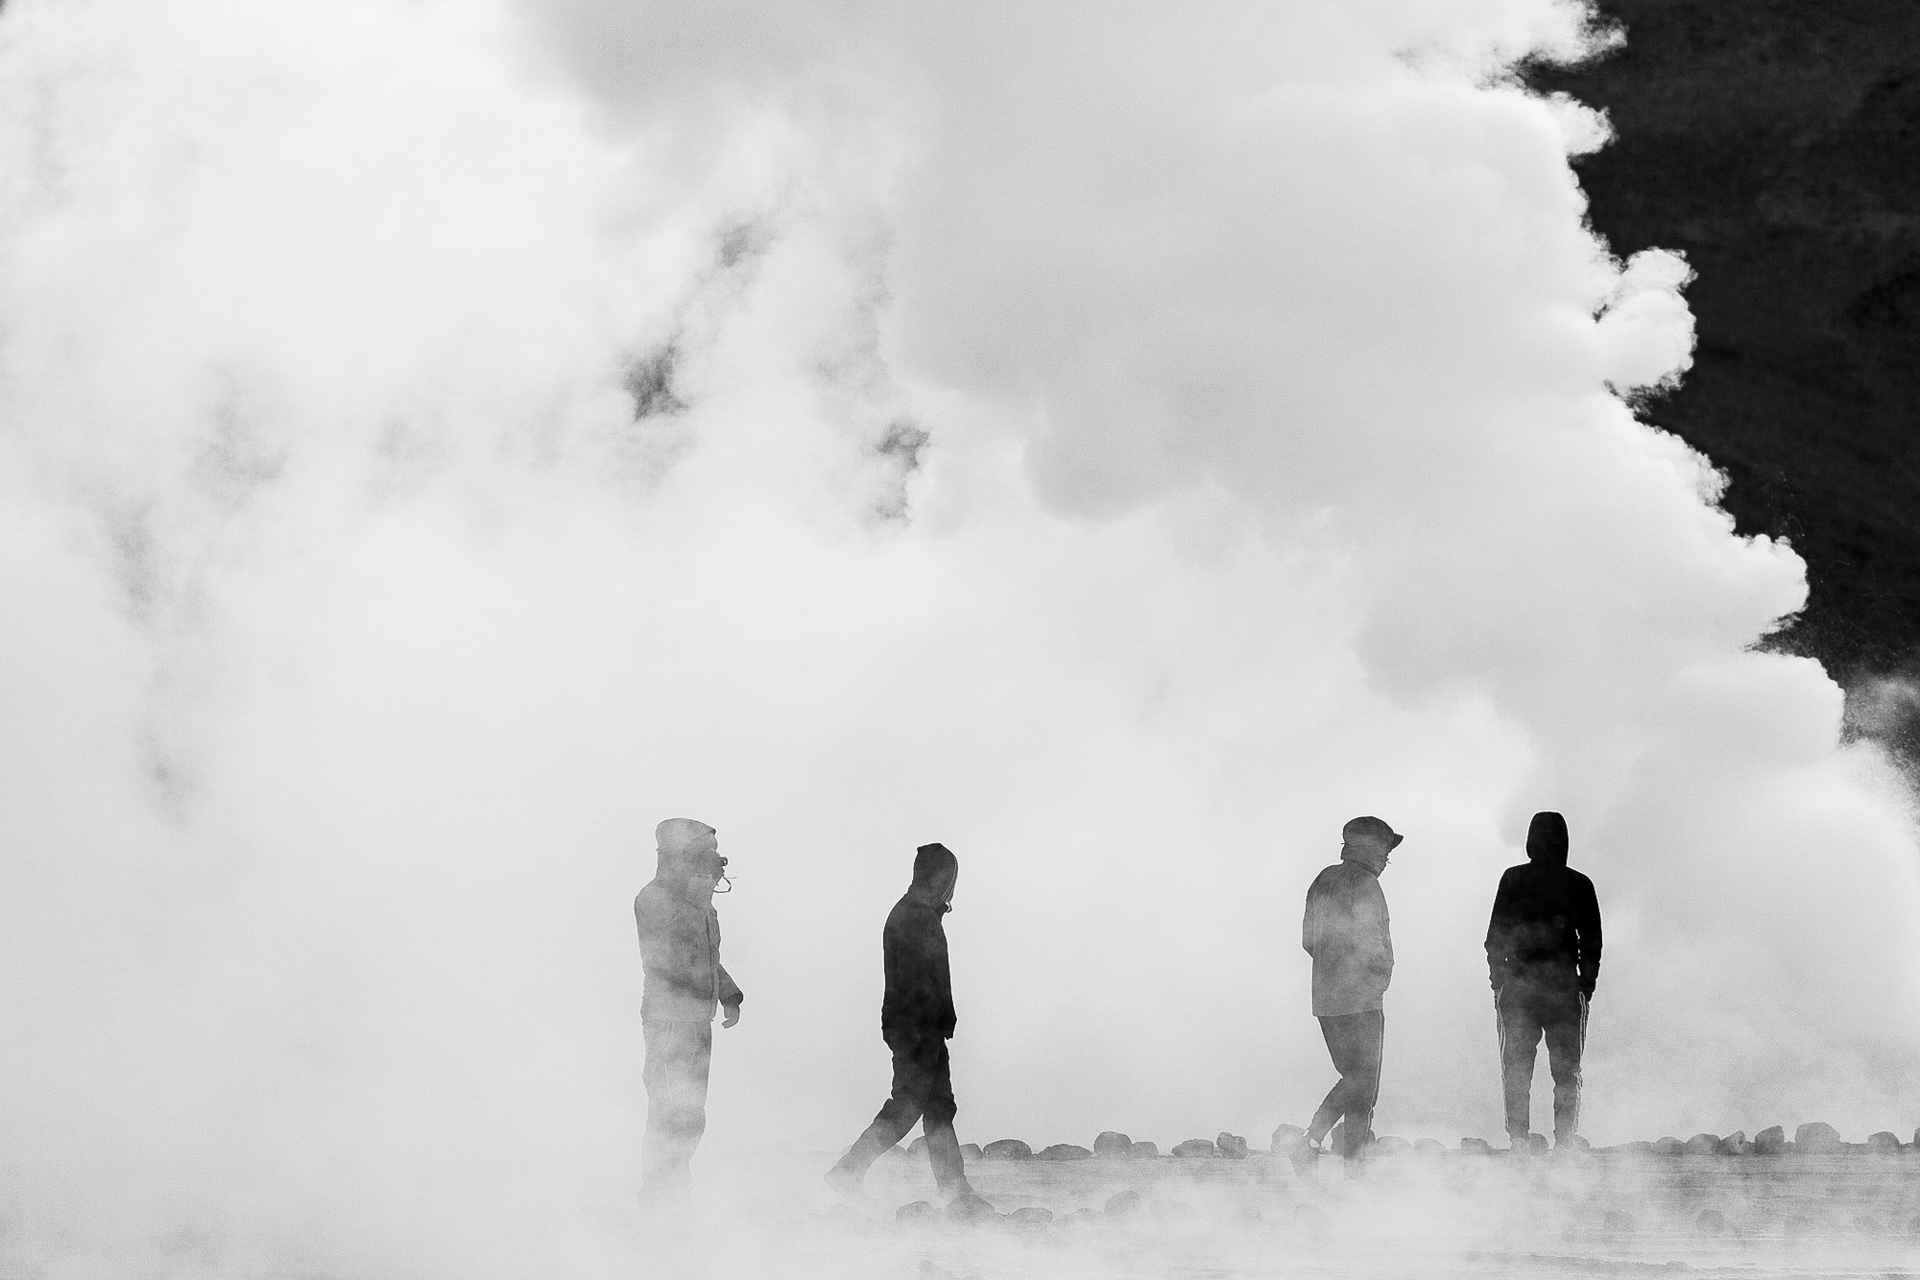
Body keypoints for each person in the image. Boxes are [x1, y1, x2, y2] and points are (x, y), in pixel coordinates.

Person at [825, 843, 979, 1205]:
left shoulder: (916, 914)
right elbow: (924, 980)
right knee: (908, 1105)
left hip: (922, 1027)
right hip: (916, 1028)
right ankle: (848, 1170)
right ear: (940, 878)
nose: (952, 890)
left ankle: (955, 1191)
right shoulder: (915, 917)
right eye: (950, 881)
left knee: (938, 1107)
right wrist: (933, 1024)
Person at [634, 817, 744, 1204]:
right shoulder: (654, 900)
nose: (712, 865)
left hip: (697, 1021)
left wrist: (728, 994)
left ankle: (674, 1192)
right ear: (679, 857)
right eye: (703, 855)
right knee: (670, 1112)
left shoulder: (699, 905)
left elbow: (709, 958)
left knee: (691, 1115)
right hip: (668, 1022)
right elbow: (669, 963)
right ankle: (659, 1198)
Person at [1485, 810, 1602, 1152]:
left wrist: (1499, 982)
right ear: (1565, 841)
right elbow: (1591, 942)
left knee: (1516, 1069)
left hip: (1518, 988)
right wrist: (1585, 986)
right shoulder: (1579, 883)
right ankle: (1564, 1141)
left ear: (1530, 840)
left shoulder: (1513, 879)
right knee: (1567, 1070)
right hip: (1565, 989)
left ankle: (1519, 1141)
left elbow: (1496, 937)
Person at [1296, 815, 1401, 1170]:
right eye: (1385, 852)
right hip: (1361, 1001)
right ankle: (1322, 1146)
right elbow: (1375, 945)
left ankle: (1339, 1159)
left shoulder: (1323, 880)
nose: (1386, 861)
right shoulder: (1366, 884)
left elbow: (1309, 940)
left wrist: (1331, 967)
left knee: (1354, 1080)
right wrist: (1379, 978)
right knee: (1363, 1084)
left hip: (1326, 1000)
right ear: (1371, 850)